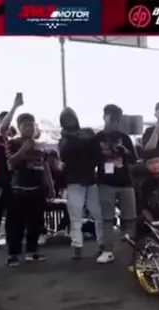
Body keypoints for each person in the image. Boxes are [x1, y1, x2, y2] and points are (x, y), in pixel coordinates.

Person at [4, 113, 53, 266]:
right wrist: (23, 149)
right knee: (16, 224)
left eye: (31, 125)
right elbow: (11, 163)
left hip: (37, 189)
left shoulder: (40, 145)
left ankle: (32, 251)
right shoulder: (13, 143)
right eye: (25, 126)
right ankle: (13, 255)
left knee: (35, 223)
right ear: (19, 128)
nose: (29, 128)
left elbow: (45, 167)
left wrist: (50, 186)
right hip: (18, 189)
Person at [92, 104, 138, 264]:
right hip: (105, 182)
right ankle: (108, 250)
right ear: (104, 117)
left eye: (117, 120)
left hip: (126, 182)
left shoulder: (125, 138)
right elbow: (90, 160)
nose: (114, 123)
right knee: (107, 218)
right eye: (111, 119)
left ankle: (132, 251)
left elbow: (134, 159)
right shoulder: (97, 139)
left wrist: (125, 151)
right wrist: (104, 154)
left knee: (130, 217)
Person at [58, 107, 99, 259]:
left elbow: (94, 148)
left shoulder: (86, 132)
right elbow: (63, 155)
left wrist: (74, 138)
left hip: (89, 177)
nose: (69, 121)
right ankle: (77, 245)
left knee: (97, 213)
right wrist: (73, 139)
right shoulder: (64, 138)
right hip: (74, 179)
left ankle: (102, 244)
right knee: (75, 214)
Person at [0, 107, 20, 248]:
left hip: (11, 179)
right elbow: (3, 126)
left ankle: (10, 236)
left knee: (12, 209)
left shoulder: (12, 139)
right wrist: (15, 106)